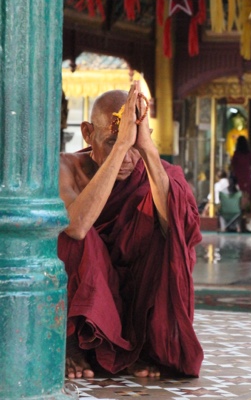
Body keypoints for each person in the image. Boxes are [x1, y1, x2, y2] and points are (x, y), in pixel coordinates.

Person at [58, 81, 203, 381]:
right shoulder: (66, 167)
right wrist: (123, 143)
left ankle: (135, 349)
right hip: (88, 283)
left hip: (128, 289)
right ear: (87, 133)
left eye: (134, 145)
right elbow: (77, 226)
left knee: (165, 238)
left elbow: (173, 225)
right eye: (112, 142)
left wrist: (144, 146)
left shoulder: (151, 169)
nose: (126, 159)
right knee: (70, 237)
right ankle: (71, 342)